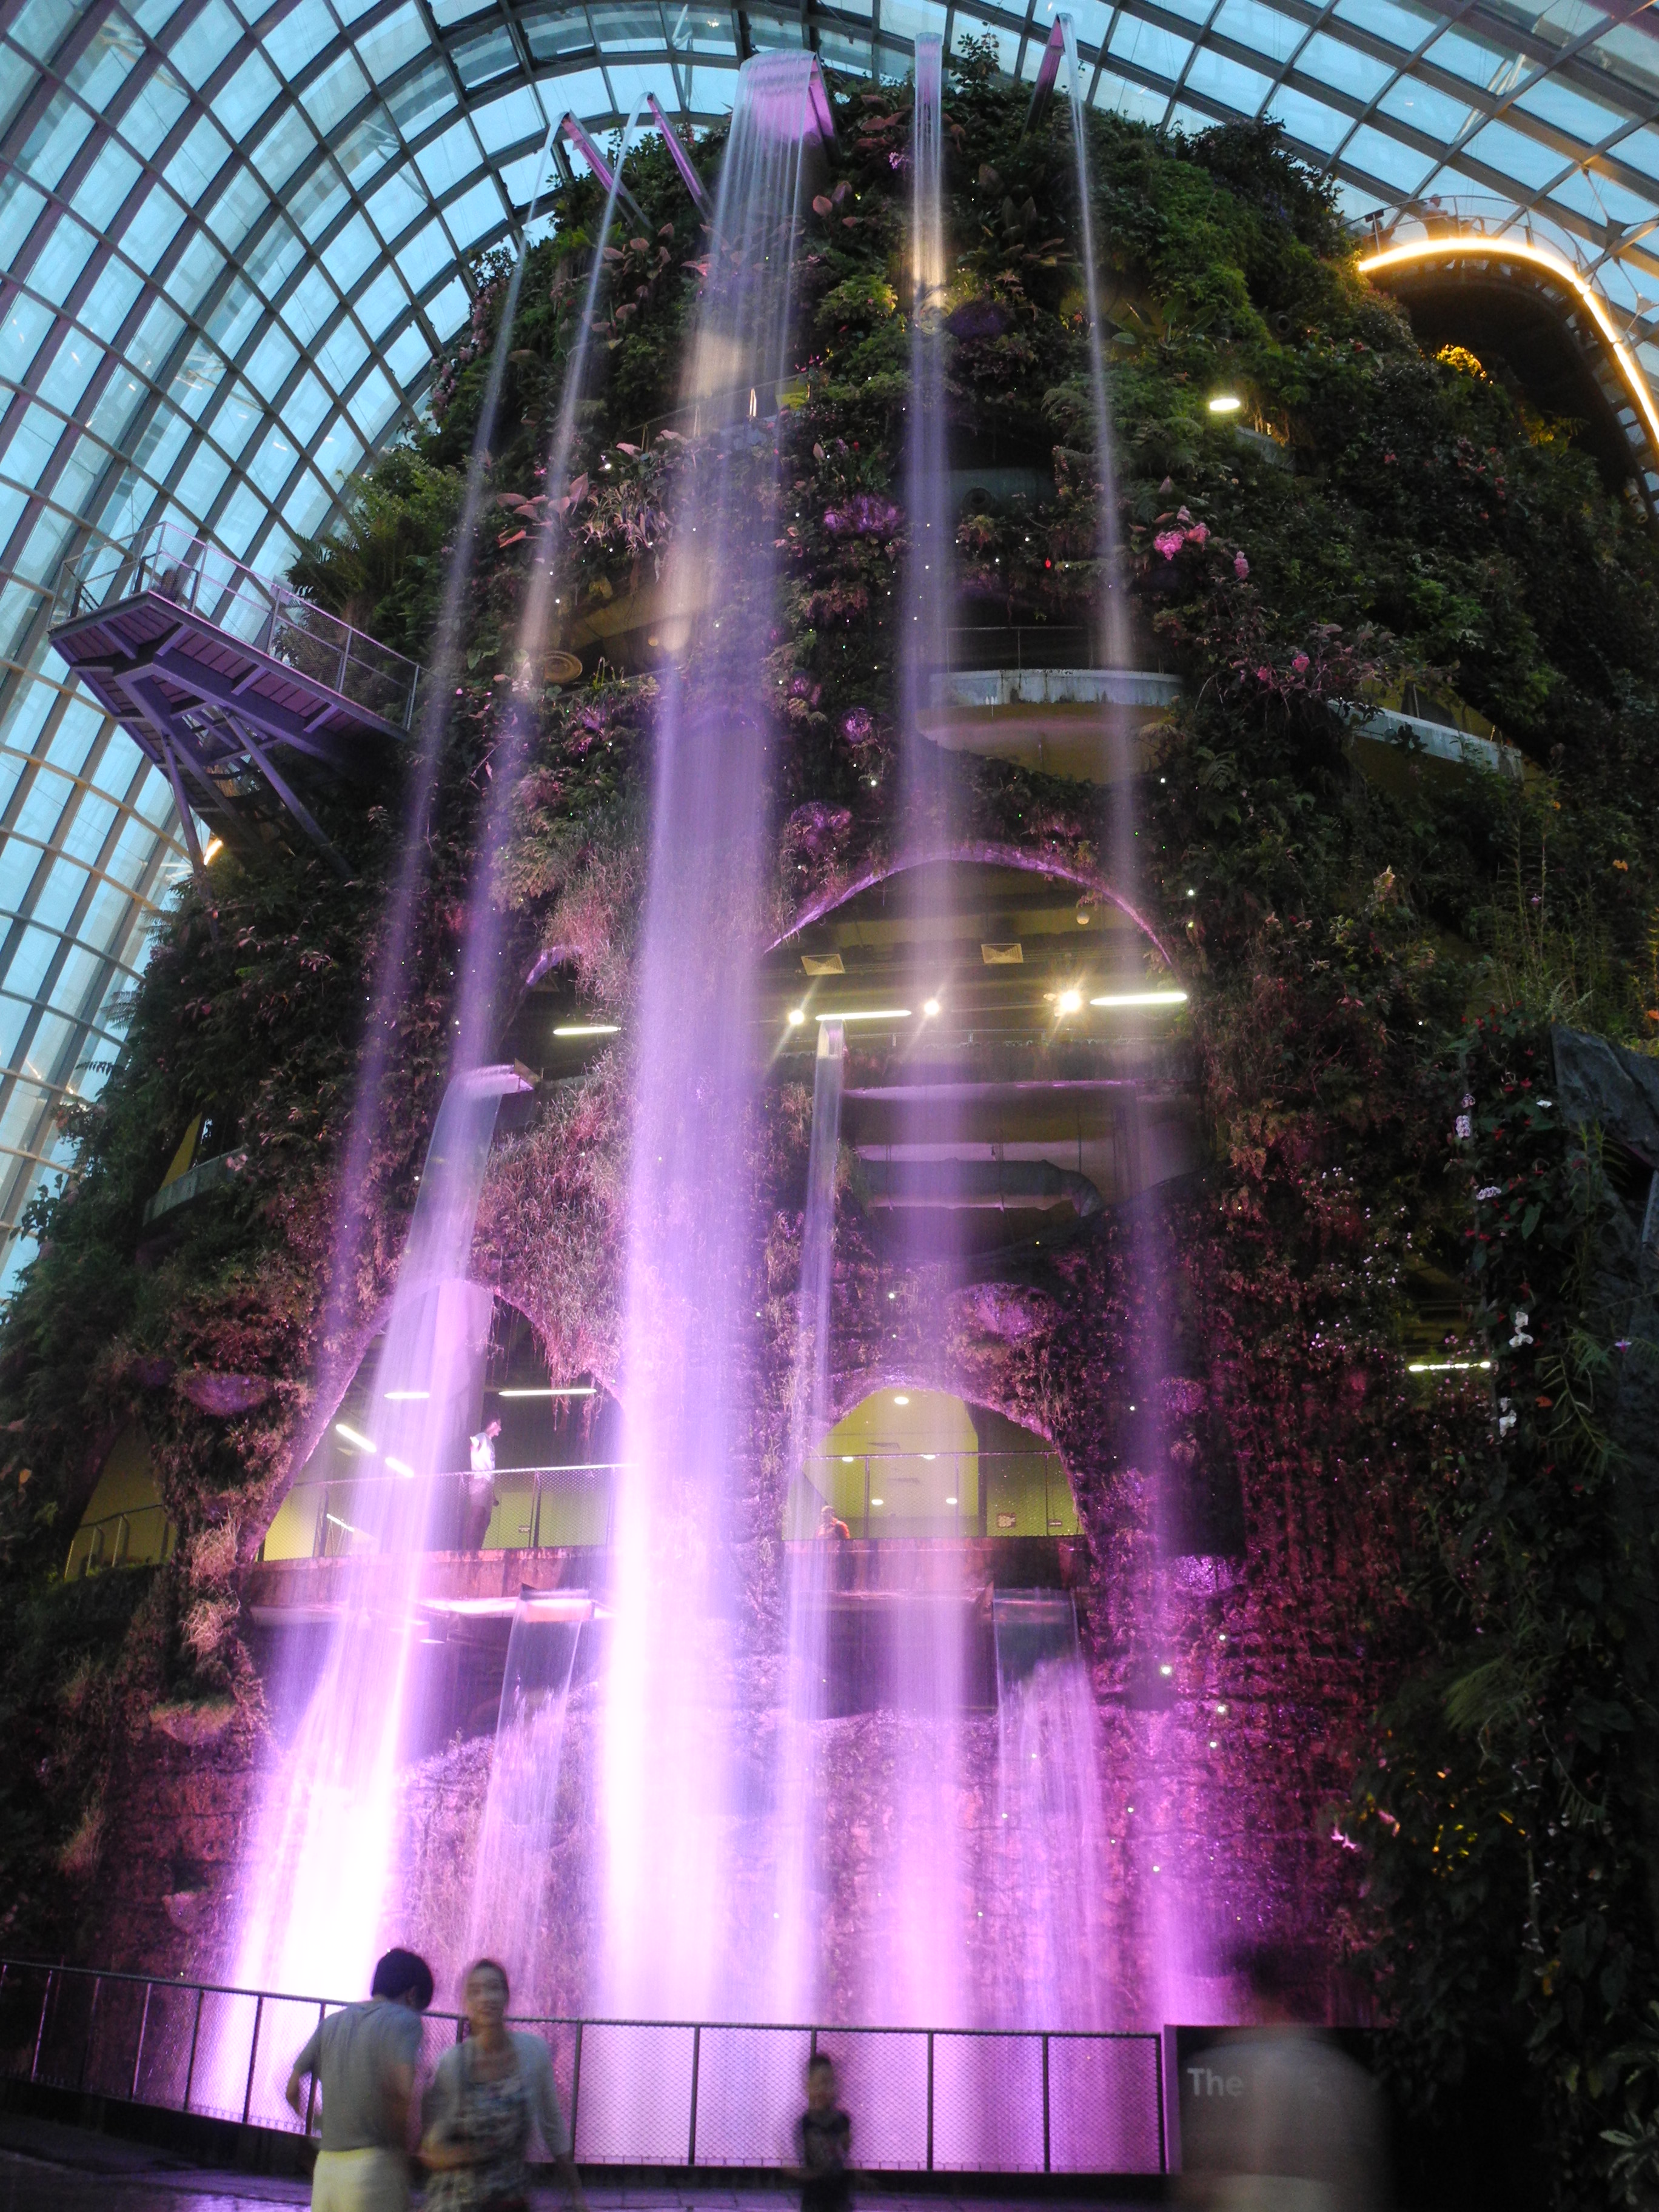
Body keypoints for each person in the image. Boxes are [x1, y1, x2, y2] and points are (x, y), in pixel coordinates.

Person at [1179, 1944, 1386, 2212]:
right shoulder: (1340, 2072)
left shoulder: (1219, 2068)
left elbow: (1197, 2180)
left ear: (1246, 1995)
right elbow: (1357, 2175)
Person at [421, 1959, 586, 2212]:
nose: (486, 1998)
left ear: (507, 1996)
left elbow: (554, 2126)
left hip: (512, 2200)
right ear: (465, 2003)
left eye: (493, 1988)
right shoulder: (451, 2064)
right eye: (475, 1991)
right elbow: (432, 2149)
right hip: (458, 2203)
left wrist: (576, 2193)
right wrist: (471, 2153)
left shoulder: (534, 2053)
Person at [285, 1946, 434, 2212]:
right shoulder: (406, 2022)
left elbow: (291, 2089)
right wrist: (403, 2154)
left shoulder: (331, 2023)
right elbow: (403, 2093)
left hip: (326, 2169)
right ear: (412, 1995)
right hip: (375, 2169)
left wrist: (320, 2124)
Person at [795, 2052, 851, 2212]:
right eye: (818, 2084)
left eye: (829, 2083)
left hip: (838, 2195)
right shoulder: (805, 2123)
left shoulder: (841, 2121)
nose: (824, 2090)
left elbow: (846, 2151)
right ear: (808, 2088)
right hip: (814, 2197)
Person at [463, 1417, 503, 1550]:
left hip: (488, 1484)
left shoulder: (491, 1444)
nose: (500, 1429)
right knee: (477, 1514)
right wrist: (474, 1446)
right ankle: (470, 1549)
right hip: (480, 1480)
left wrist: (492, 1493)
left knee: (486, 1519)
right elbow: (475, 1445)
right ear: (494, 1424)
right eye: (499, 1425)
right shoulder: (482, 1437)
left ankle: (477, 1547)